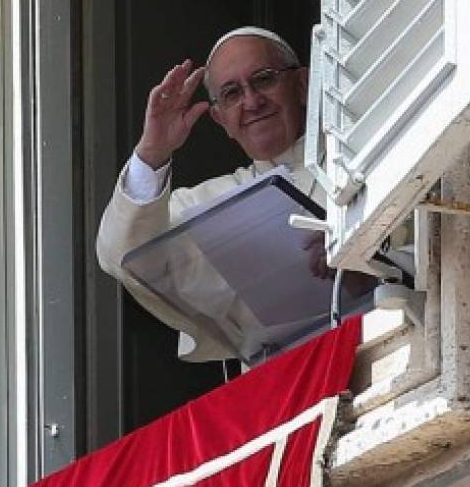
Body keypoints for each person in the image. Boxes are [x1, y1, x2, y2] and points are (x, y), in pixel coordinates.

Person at [96, 26, 325, 362]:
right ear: (220, 119)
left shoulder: (368, 158)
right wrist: (152, 151)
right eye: (232, 93)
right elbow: (122, 257)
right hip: (283, 386)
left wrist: (359, 257)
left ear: (303, 84)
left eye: (263, 79)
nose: (252, 101)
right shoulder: (211, 202)